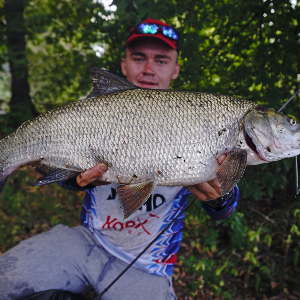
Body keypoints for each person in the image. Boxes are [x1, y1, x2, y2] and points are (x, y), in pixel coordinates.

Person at [0, 19, 239, 299]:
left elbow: (225, 210)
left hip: (149, 263)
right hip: (88, 240)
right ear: (124, 65)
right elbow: (67, 181)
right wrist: (81, 183)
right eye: (139, 58)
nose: (148, 69)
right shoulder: (93, 113)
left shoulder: (200, 118)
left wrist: (219, 198)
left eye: (160, 60)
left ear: (175, 69)